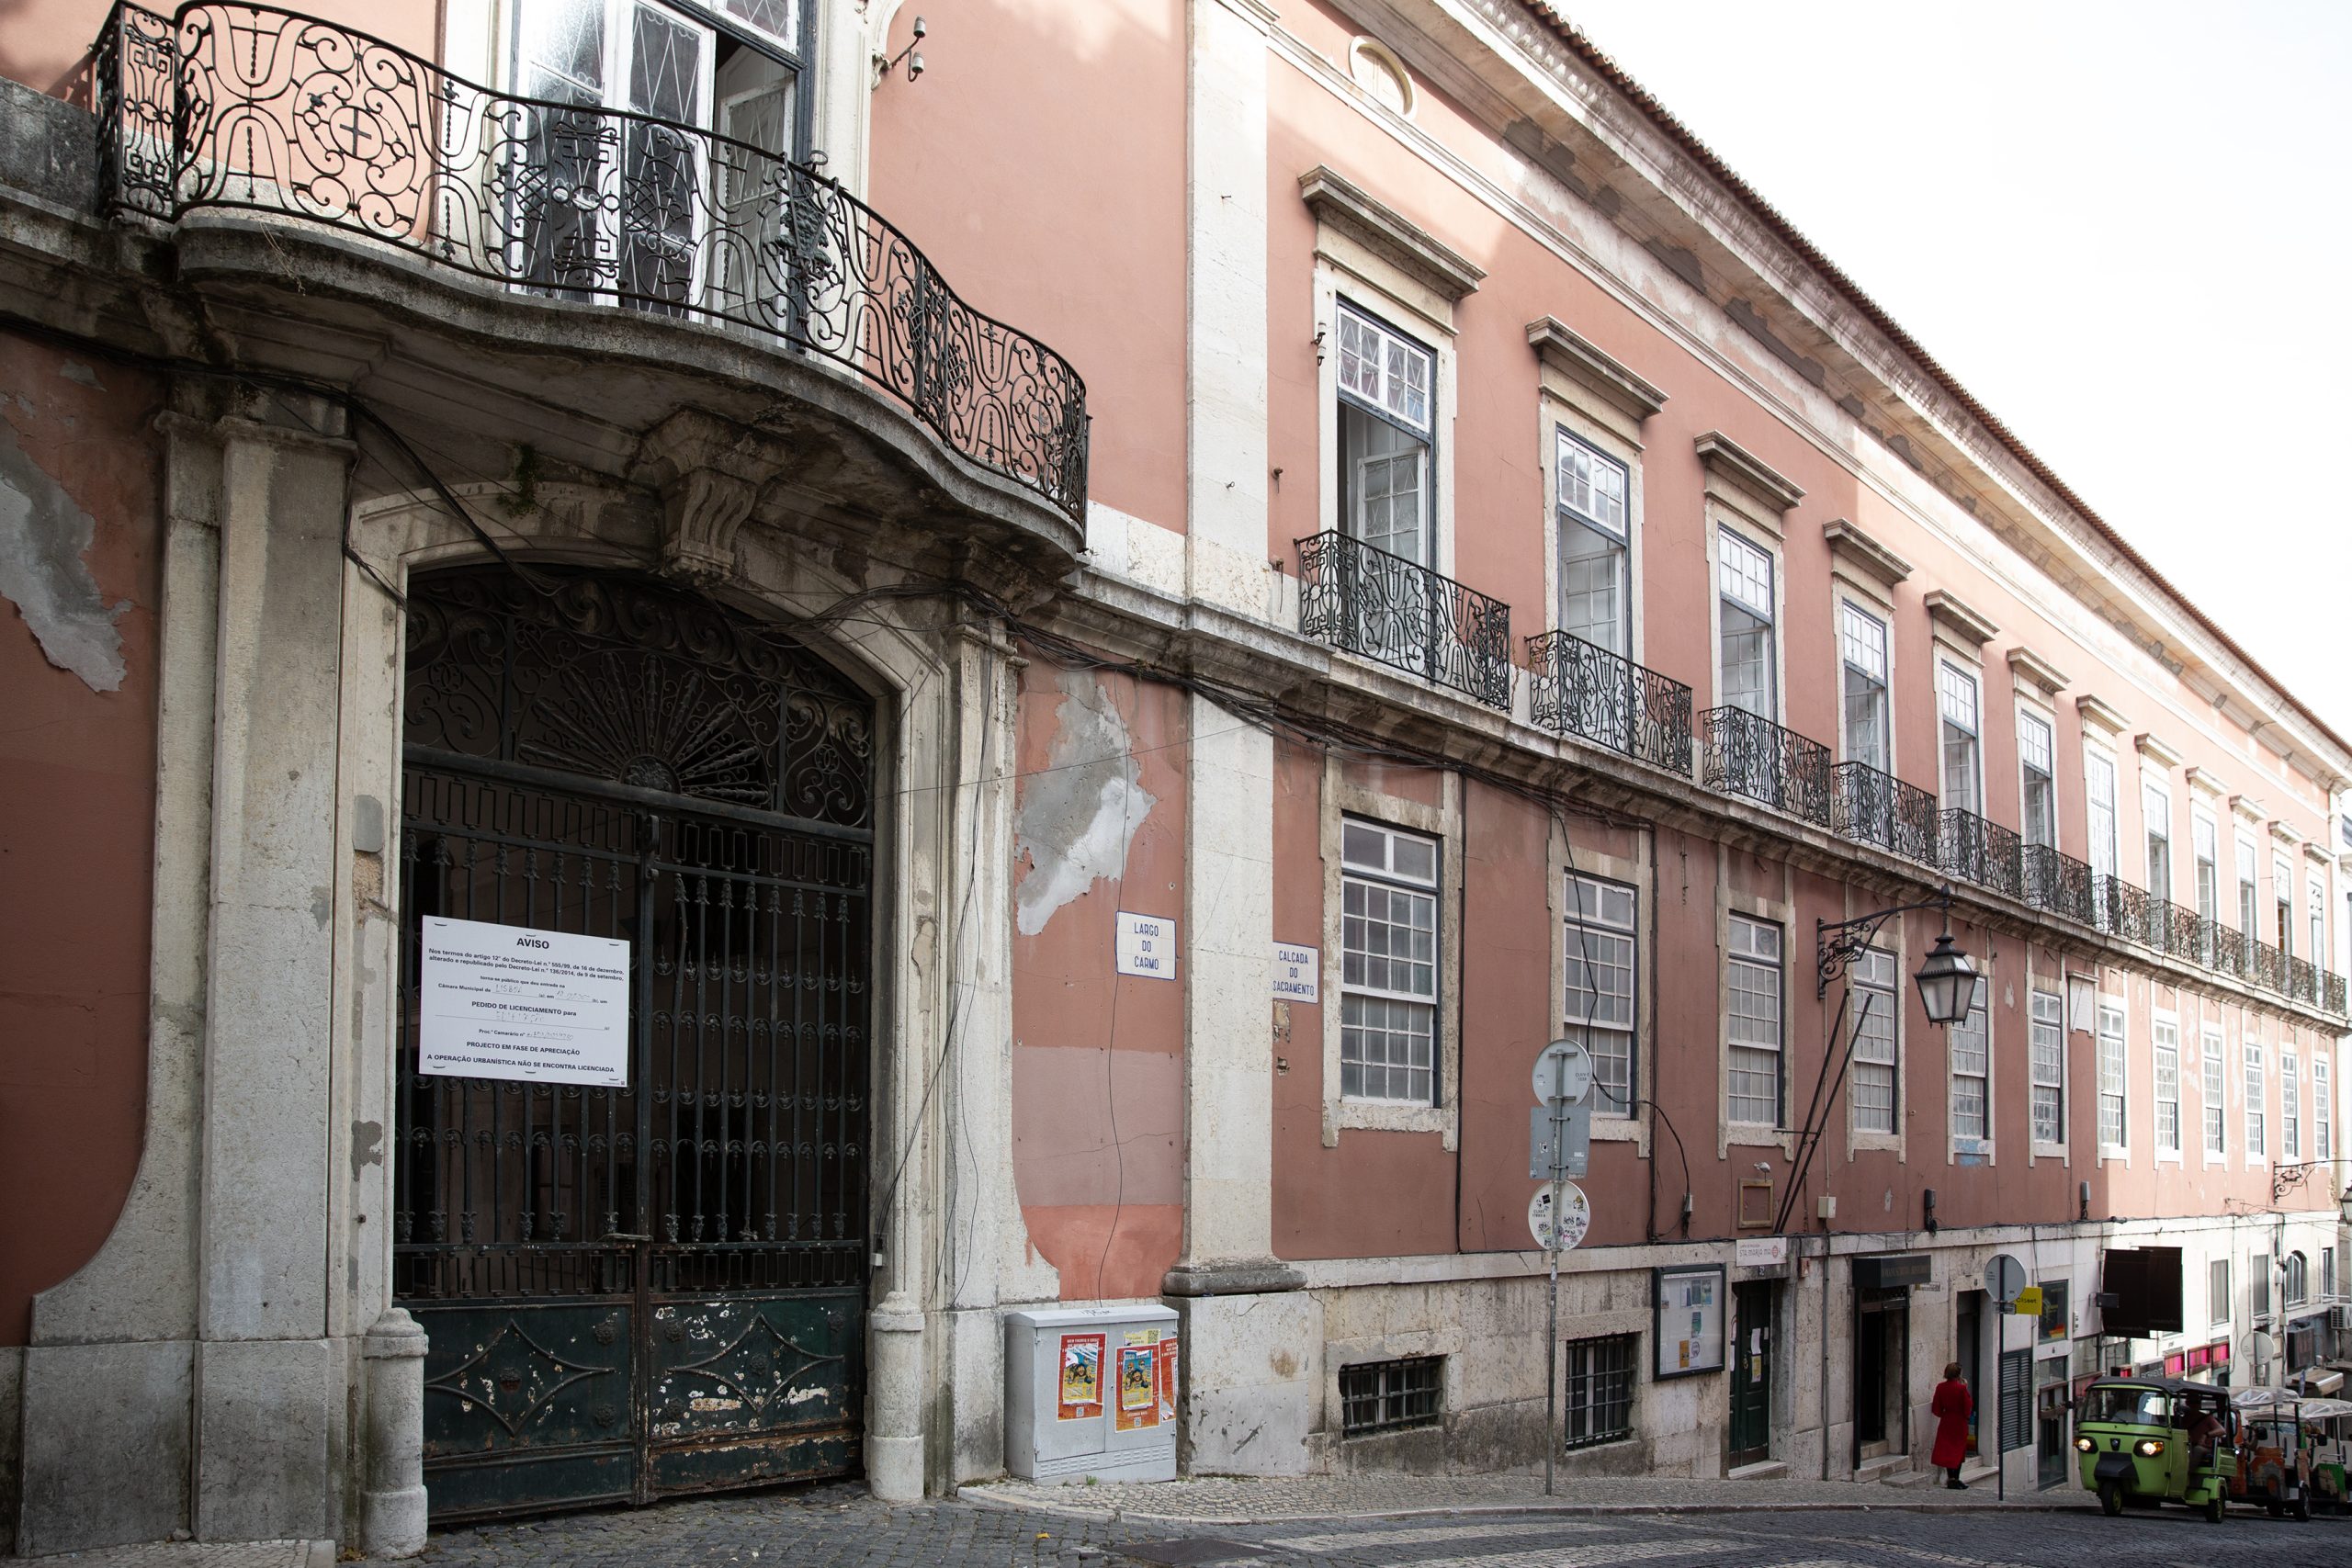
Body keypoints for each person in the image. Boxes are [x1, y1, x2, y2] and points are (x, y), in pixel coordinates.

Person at [1929, 1360, 1973, 1488]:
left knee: (1948, 1450)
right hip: (1959, 1422)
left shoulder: (1940, 1387)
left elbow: (1936, 1408)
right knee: (1958, 1450)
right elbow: (1967, 1407)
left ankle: (1951, 1478)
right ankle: (1956, 1478)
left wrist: (1945, 1415)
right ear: (1958, 1374)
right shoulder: (1961, 1389)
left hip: (1947, 1421)